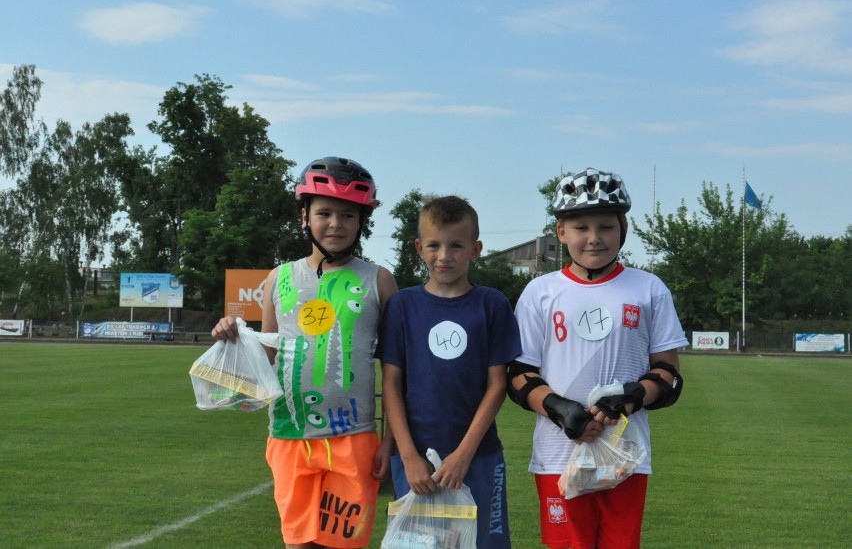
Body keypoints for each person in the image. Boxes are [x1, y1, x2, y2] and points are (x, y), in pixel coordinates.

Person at [212, 157, 398, 549]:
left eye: (348, 215)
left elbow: (398, 371)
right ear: (304, 217)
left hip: (353, 437)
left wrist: (389, 440)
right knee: (298, 545)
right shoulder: (277, 279)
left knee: (341, 546)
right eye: (325, 213)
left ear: (362, 221)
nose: (336, 223)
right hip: (289, 435)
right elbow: (265, 357)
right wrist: (231, 338)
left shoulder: (379, 281)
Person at [508, 168, 689, 549]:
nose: (593, 238)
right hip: (559, 455)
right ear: (561, 233)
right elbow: (520, 374)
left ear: (623, 229)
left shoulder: (649, 288)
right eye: (580, 228)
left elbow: (669, 375)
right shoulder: (540, 292)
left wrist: (632, 396)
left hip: (624, 455)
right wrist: (559, 409)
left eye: (606, 227)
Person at [377, 195, 520, 548]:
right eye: (434, 245)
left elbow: (497, 385)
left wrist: (464, 454)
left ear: (475, 249)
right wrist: (408, 456)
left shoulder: (492, 304)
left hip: (478, 456)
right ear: (419, 248)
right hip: (414, 462)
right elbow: (392, 385)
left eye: (456, 246)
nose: (444, 256)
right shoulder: (402, 306)